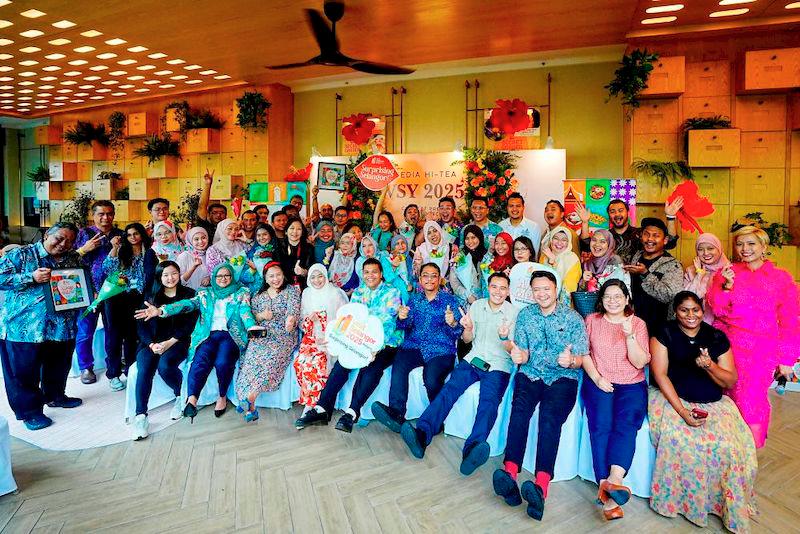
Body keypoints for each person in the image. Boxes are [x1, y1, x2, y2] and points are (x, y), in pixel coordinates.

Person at [649, 291, 756, 532]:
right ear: (675, 311)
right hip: (673, 399)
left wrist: (709, 366)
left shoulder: (716, 337)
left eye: (695, 310)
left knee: (731, 446)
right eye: (684, 310)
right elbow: (660, 375)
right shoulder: (664, 333)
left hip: (713, 403)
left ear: (702, 310)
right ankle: (685, 503)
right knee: (681, 441)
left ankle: (723, 505)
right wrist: (682, 411)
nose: (690, 315)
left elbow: (730, 381)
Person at [491, 270, 588, 521]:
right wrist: (519, 355)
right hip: (531, 373)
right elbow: (521, 352)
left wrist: (571, 361)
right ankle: (510, 472)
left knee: (549, 418)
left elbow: (581, 358)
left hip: (562, 378)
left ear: (556, 290)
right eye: (537, 289)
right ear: (531, 292)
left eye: (547, 288)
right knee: (519, 411)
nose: (542, 293)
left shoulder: (574, 318)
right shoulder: (525, 316)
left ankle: (540, 485)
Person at [400, 272, 518, 476]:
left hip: (499, 365)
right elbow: (466, 340)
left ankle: (472, 449)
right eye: (494, 287)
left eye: (502, 288)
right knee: (449, 390)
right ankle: (422, 434)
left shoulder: (514, 313)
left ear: (508, 291)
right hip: (474, 359)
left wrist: (504, 337)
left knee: (488, 402)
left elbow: (512, 350)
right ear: (488, 287)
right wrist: (468, 328)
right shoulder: (477, 306)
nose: (498, 292)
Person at [706, 225, 800, 448]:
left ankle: (749, 453)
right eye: (740, 244)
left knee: (752, 400)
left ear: (763, 246)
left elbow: (790, 321)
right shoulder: (726, 273)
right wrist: (726, 287)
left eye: (750, 244)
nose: (744, 249)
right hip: (728, 347)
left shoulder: (782, 279)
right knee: (725, 397)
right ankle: (727, 451)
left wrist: (787, 359)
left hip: (761, 350)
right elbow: (717, 310)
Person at [135, 263, 257, 421]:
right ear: (213, 277)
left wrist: (251, 326)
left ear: (232, 277)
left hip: (230, 335)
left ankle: (222, 396)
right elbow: (186, 304)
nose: (223, 279)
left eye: (227, 275)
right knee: (200, 360)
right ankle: (192, 399)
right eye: (219, 276)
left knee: (222, 362)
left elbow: (245, 311)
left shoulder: (241, 293)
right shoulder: (205, 294)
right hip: (208, 335)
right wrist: (161, 311)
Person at [294, 258, 402, 433]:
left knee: (371, 366)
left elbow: (388, 323)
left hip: (386, 343)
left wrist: (374, 347)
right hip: (359, 339)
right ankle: (322, 408)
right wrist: (338, 339)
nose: (370, 275)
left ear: (381, 274)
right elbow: (350, 320)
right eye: (366, 272)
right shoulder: (359, 293)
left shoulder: (392, 293)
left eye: (374, 272)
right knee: (343, 361)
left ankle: (352, 412)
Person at [0, 223, 83, 430]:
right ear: (47, 234)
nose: (64, 244)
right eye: (59, 238)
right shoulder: (21, 255)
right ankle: (29, 412)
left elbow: (79, 285)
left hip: (62, 326)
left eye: (70, 241)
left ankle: (55, 396)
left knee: (59, 365)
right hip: (24, 327)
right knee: (24, 372)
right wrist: (31, 277)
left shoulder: (73, 258)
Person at [579, 279, 650, 520]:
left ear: (627, 299)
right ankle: (607, 491)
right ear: (601, 299)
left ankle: (614, 481)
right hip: (599, 380)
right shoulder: (592, 321)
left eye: (618, 296)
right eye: (608, 296)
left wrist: (629, 336)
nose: (612, 301)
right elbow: (584, 353)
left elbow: (640, 362)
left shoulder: (637, 324)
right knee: (600, 426)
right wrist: (598, 379)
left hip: (632, 385)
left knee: (626, 425)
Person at [372, 262, 462, 432]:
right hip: (414, 346)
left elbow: (458, 333)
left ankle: (436, 421)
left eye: (434, 275)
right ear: (420, 279)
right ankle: (396, 414)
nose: (429, 279)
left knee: (431, 378)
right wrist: (402, 317)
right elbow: (405, 325)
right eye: (425, 275)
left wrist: (452, 323)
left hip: (440, 349)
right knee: (399, 364)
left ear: (440, 279)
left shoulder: (450, 301)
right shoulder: (414, 300)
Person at [132, 261, 198, 440]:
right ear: (159, 277)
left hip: (178, 340)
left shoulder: (189, 295)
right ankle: (141, 416)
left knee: (165, 366)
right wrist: (152, 344)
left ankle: (179, 395)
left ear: (179, 274)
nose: (170, 278)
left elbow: (189, 325)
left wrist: (169, 342)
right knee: (144, 369)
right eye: (166, 275)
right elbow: (140, 325)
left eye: (174, 273)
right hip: (151, 343)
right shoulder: (150, 296)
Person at [235, 262, 301, 422]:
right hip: (262, 332)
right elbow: (252, 316)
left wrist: (290, 321)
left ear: (283, 275)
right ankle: (250, 407)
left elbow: (294, 311)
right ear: (265, 277)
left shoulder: (291, 291)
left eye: (278, 275)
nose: (275, 279)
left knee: (270, 361)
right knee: (250, 358)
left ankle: (250, 398)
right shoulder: (258, 294)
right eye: (271, 276)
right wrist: (262, 316)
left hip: (283, 334)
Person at [74, 200, 125, 384]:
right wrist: (84, 249)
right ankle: (85, 367)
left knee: (114, 330)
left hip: (114, 291)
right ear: (93, 215)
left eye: (109, 213)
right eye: (101, 214)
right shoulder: (84, 234)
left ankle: (114, 363)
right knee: (85, 330)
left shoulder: (120, 234)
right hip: (89, 291)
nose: (106, 217)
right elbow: (70, 262)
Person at [102, 223, 157, 391]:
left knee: (133, 336)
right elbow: (107, 268)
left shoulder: (149, 252)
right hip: (117, 298)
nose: (133, 237)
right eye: (129, 234)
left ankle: (130, 371)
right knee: (114, 336)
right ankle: (113, 374)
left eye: (136, 233)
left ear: (142, 235)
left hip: (138, 298)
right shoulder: (121, 251)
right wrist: (114, 248)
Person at [296, 264, 348, 414]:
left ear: (326, 276)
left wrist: (331, 337)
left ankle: (316, 404)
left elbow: (345, 321)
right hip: (311, 337)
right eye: (313, 277)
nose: (317, 280)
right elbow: (301, 320)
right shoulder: (306, 293)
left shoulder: (336, 294)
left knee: (318, 362)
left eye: (320, 276)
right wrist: (309, 320)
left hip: (332, 339)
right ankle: (309, 401)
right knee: (302, 362)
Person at [625, 218, 683, 339]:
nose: (650, 239)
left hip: (660, 327)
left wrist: (645, 274)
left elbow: (670, 295)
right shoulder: (637, 256)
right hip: (635, 322)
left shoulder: (673, 265)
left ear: (665, 240)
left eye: (656, 236)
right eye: (646, 234)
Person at [576, 199, 680, 265]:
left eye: (621, 210)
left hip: (639, 280)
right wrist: (585, 222)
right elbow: (586, 246)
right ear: (609, 215)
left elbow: (670, 243)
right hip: (611, 281)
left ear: (628, 212)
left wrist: (670, 217)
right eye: (613, 212)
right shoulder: (606, 237)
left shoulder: (641, 234)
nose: (617, 214)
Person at [683, 233, 729, 324]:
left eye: (710, 248)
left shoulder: (729, 271)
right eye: (700, 249)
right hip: (695, 325)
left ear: (719, 249)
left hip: (724, 325)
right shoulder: (691, 270)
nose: (706, 253)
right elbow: (686, 300)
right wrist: (699, 275)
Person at [577, 228, 629, 293]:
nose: (597, 244)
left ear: (609, 245)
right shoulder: (587, 264)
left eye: (602, 241)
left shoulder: (615, 262)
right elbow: (580, 294)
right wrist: (584, 282)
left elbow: (617, 290)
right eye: (594, 240)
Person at [449, 224, 487, 306]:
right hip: (466, 303)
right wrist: (468, 295)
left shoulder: (488, 257)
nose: (470, 242)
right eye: (467, 238)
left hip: (486, 302)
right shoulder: (460, 258)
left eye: (473, 237)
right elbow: (454, 282)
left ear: (479, 237)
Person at [540, 227, 581, 303]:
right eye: (556, 238)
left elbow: (568, 290)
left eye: (564, 240)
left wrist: (553, 262)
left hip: (562, 304)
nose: (559, 243)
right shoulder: (545, 256)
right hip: (542, 299)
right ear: (551, 240)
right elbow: (539, 279)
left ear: (568, 242)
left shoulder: (573, 259)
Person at [240, 223, 279, 295]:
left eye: (265, 234)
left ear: (271, 235)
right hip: (256, 293)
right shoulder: (251, 253)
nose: (261, 238)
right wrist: (252, 270)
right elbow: (242, 278)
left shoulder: (278, 251)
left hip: (275, 291)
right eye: (258, 235)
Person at [280, 217, 314, 288]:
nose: (295, 232)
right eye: (292, 228)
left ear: (302, 233)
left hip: (304, 285)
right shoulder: (279, 248)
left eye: (299, 229)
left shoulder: (309, 248)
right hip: (283, 286)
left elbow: (313, 269)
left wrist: (303, 272)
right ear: (286, 231)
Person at [196, 170, 228, 241]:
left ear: (226, 216)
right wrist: (208, 184)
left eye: (222, 213)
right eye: (214, 213)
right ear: (209, 215)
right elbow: (202, 207)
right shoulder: (204, 226)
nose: (218, 215)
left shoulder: (229, 228)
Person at [176, 227, 211, 291]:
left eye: (203, 238)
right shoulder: (184, 256)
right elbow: (179, 281)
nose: (200, 241)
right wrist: (194, 267)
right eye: (196, 239)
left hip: (207, 294)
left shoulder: (210, 254)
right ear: (190, 241)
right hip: (190, 296)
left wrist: (209, 278)